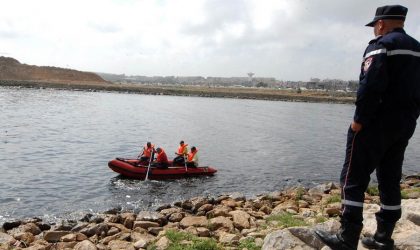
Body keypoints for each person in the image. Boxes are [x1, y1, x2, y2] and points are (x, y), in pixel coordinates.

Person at [315, 5, 420, 250]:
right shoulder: (417, 48)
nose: (374, 29)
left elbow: (370, 85)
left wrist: (359, 120)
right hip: (404, 125)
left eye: (375, 25)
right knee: (390, 178)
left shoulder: (381, 45)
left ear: (381, 24)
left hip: (374, 124)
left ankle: (347, 237)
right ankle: (384, 237)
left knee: (353, 178)